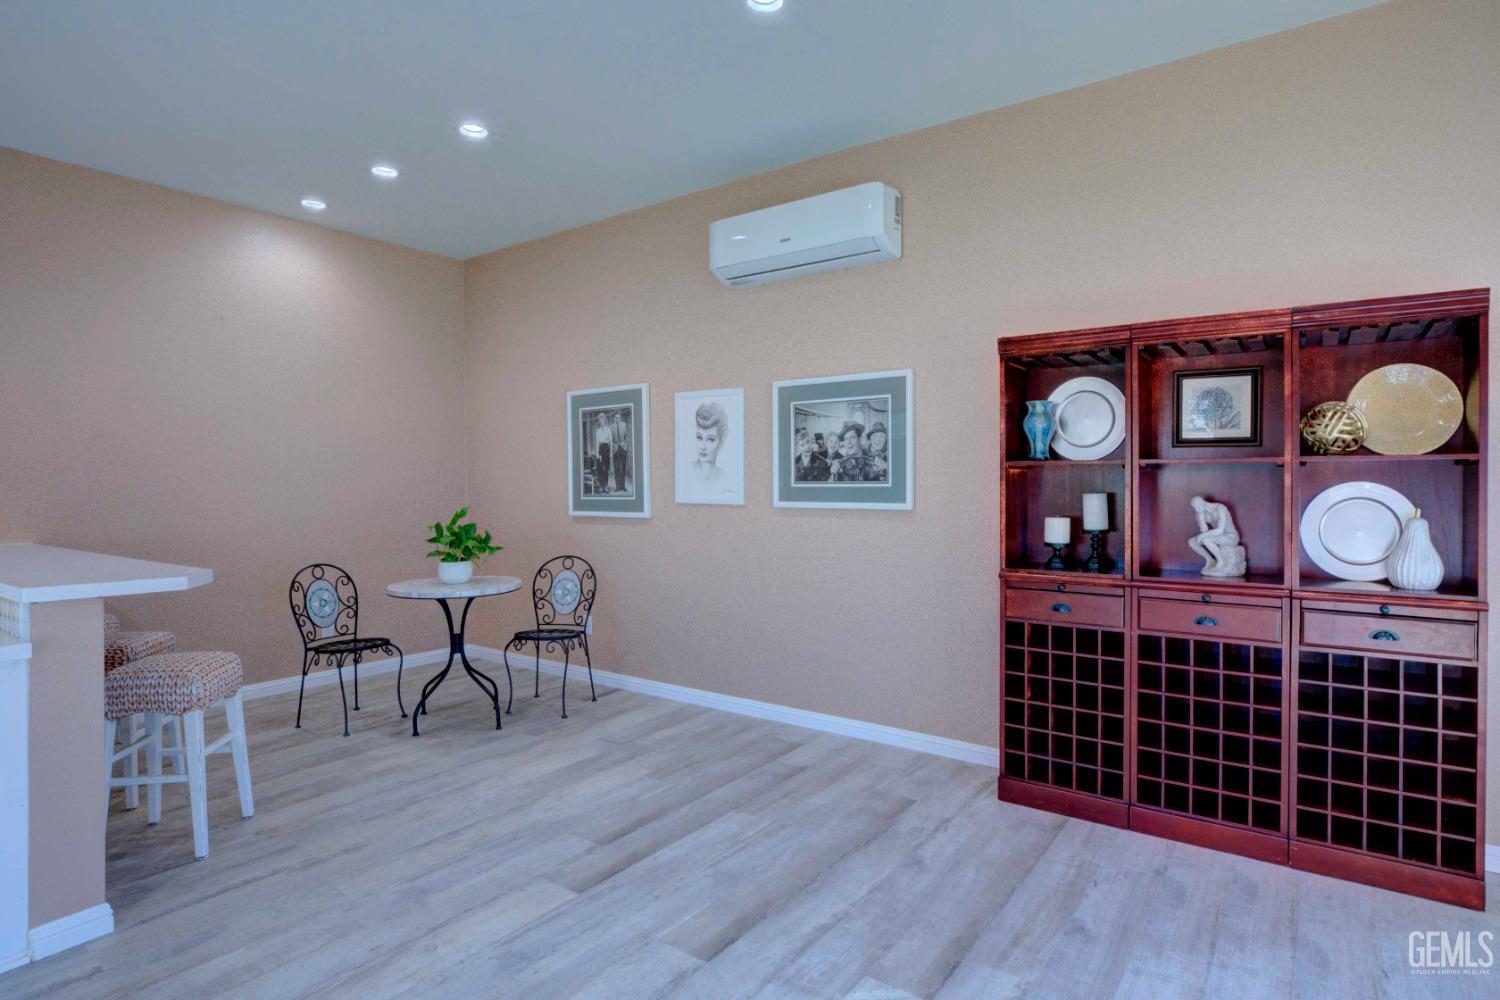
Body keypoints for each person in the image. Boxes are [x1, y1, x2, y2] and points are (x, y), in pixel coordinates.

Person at [692, 401, 728, 483]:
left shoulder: (725, 477)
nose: (703, 447)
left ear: (721, 443)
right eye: (699, 438)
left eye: (710, 439)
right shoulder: (686, 470)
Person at [610, 409, 631, 495]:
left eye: (618, 417)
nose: (617, 419)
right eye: (616, 417)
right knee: (616, 468)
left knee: (623, 467)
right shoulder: (611, 427)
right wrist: (613, 447)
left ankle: (623, 486)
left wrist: (625, 444)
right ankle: (617, 487)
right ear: (614, 418)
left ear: (620, 417)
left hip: (623, 447)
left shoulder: (624, 425)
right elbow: (610, 439)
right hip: (615, 448)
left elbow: (627, 436)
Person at [593, 413, 612, 492]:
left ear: (605, 420)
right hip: (600, 449)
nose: (601, 421)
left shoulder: (608, 429)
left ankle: (606, 486)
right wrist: (597, 453)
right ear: (599, 422)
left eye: (602, 420)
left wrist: (610, 453)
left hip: (606, 448)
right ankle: (601, 486)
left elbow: (611, 442)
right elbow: (597, 443)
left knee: (606, 468)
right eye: (600, 420)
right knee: (600, 468)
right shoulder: (598, 431)